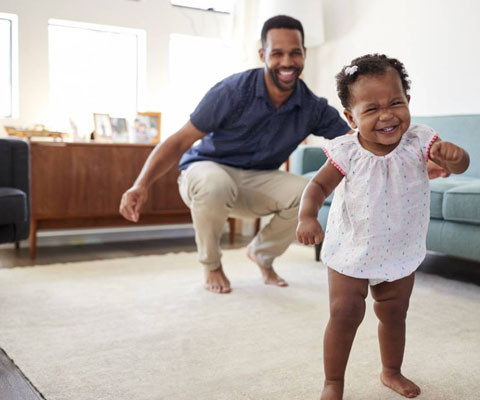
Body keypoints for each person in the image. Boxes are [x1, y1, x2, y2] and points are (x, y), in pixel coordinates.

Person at [119, 15, 353, 294]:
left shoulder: (311, 106)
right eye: (277, 53)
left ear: (304, 54)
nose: (287, 62)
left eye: (295, 53)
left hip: (258, 180)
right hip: (207, 171)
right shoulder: (232, 92)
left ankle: (262, 254)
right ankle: (212, 264)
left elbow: (352, 141)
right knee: (215, 183)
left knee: (306, 192)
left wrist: (403, 144)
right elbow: (180, 140)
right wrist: (141, 184)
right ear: (262, 54)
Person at [296, 54, 470, 399]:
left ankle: (391, 370)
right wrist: (307, 215)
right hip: (352, 245)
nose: (387, 115)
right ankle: (333, 383)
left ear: (407, 101)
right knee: (344, 312)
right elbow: (316, 187)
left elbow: (459, 165)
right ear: (351, 117)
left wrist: (456, 156)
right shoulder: (347, 151)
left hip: (400, 247)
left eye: (396, 102)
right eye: (371, 109)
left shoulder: (421, 142)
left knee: (394, 313)